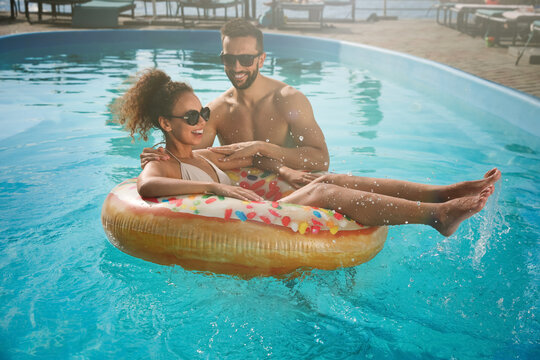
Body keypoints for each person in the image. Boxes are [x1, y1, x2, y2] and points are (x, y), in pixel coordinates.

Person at [113, 69, 501, 237]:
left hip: (257, 206)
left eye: (205, 113)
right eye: (192, 116)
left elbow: (254, 161)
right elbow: (148, 189)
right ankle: (435, 217)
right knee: (323, 192)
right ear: (166, 123)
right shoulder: (162, 161)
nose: (202, 122)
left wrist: (287, 173)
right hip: (249, 220)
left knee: (329, 178)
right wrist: (220, 191)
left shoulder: (205, 156)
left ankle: (441, 192)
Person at [140, 18, 330, 181]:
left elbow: (320, 159)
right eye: (229, 59)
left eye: (246, 59)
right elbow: (187, 158)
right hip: (242, 197)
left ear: (261, 60)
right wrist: (159, 156)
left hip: (289, 187)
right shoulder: (217, 110)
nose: (236, 68)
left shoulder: (289, 100)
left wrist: (261, 147)